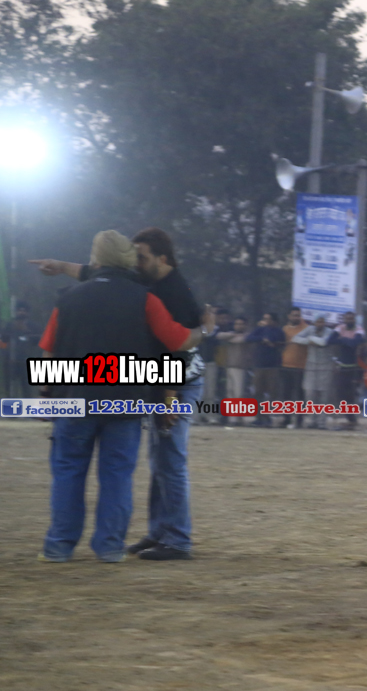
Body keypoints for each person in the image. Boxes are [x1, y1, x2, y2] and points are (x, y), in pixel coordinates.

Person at [32, 227, 207, 560]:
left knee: (68, 471)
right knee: (117, 475)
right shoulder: (146, 298)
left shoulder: (68, 298)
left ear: (96, 259)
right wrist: (205, 330)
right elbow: (177, 343)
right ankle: (110, 547)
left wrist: (46, 395)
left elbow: (49, 351)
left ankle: (59, 546)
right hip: (125, 402)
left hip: (75, 398)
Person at [294, 315, 334, 429]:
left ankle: (321, 423)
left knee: (323, 395)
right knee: (310, 393)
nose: (320, 324)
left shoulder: (329, 332)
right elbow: (295, 338)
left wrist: (311, 339)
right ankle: (311, 421)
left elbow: (323, 342)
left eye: (322, 322)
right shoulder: (309, 329)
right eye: (318, 322)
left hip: (325, 366)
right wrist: (309, 340)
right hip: (311, 365)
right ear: (314, 322)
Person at [246, 312, 285, 427]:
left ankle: (268, 417)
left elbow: (275, 339)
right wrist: (262, 338)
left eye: (268, 319)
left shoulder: (278, 331)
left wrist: (267, 336)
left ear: (274, 321)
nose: (265, 321)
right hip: (259, 365)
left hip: (272, 366)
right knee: (258, 392)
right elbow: (249, 338)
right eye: (264, 318)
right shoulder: (260, 330)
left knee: (271, 392)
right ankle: (258, 417)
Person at [329, 311, 364, 430]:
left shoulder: (359, 329)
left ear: (354, 320)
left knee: (351, 395)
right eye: (347, 319)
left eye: (351, 319)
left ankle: (353, 420)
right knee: (341, 394)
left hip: (355, 367)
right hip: (342, 367)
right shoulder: (340, 327)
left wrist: (342, 339)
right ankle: (349, 419)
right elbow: (330, 340)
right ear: (344, 320)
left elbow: (355, 343)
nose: (349, 321)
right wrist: (347, 341)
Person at [216, 317, 253, 422]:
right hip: (228, 366)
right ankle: (232, 418)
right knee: (230, 393)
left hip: (240, 368)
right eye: (237, 324)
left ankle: (238, 416)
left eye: (241, 324)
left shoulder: (248, 336)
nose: (238, 326)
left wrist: (234, 338)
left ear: (245, 325)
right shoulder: (230, 334)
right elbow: (218, 336)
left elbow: (241, 340)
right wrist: (233, 335)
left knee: (238, 393)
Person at [1, 301, 41, 398]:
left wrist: (26, 331)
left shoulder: (33, 326)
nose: (21, 312)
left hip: (26, 363)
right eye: (19, 310)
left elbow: (39, 341)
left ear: (28, 312)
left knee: (27, 389)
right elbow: (4, 340)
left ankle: (28, 405)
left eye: (24, 310)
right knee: (9, 389)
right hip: (11, 362)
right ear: (16, 312)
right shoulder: (10, 325)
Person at [280, 307, 308, 430]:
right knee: (286, 394)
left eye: (298, 315)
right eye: (294, 315)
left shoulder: (306, 328)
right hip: (286, 365)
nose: (296, 317)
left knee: (300, 395)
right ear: (289, 316)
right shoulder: (284, 329)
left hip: (301, 366)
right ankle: (286, 419)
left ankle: (299, 420)